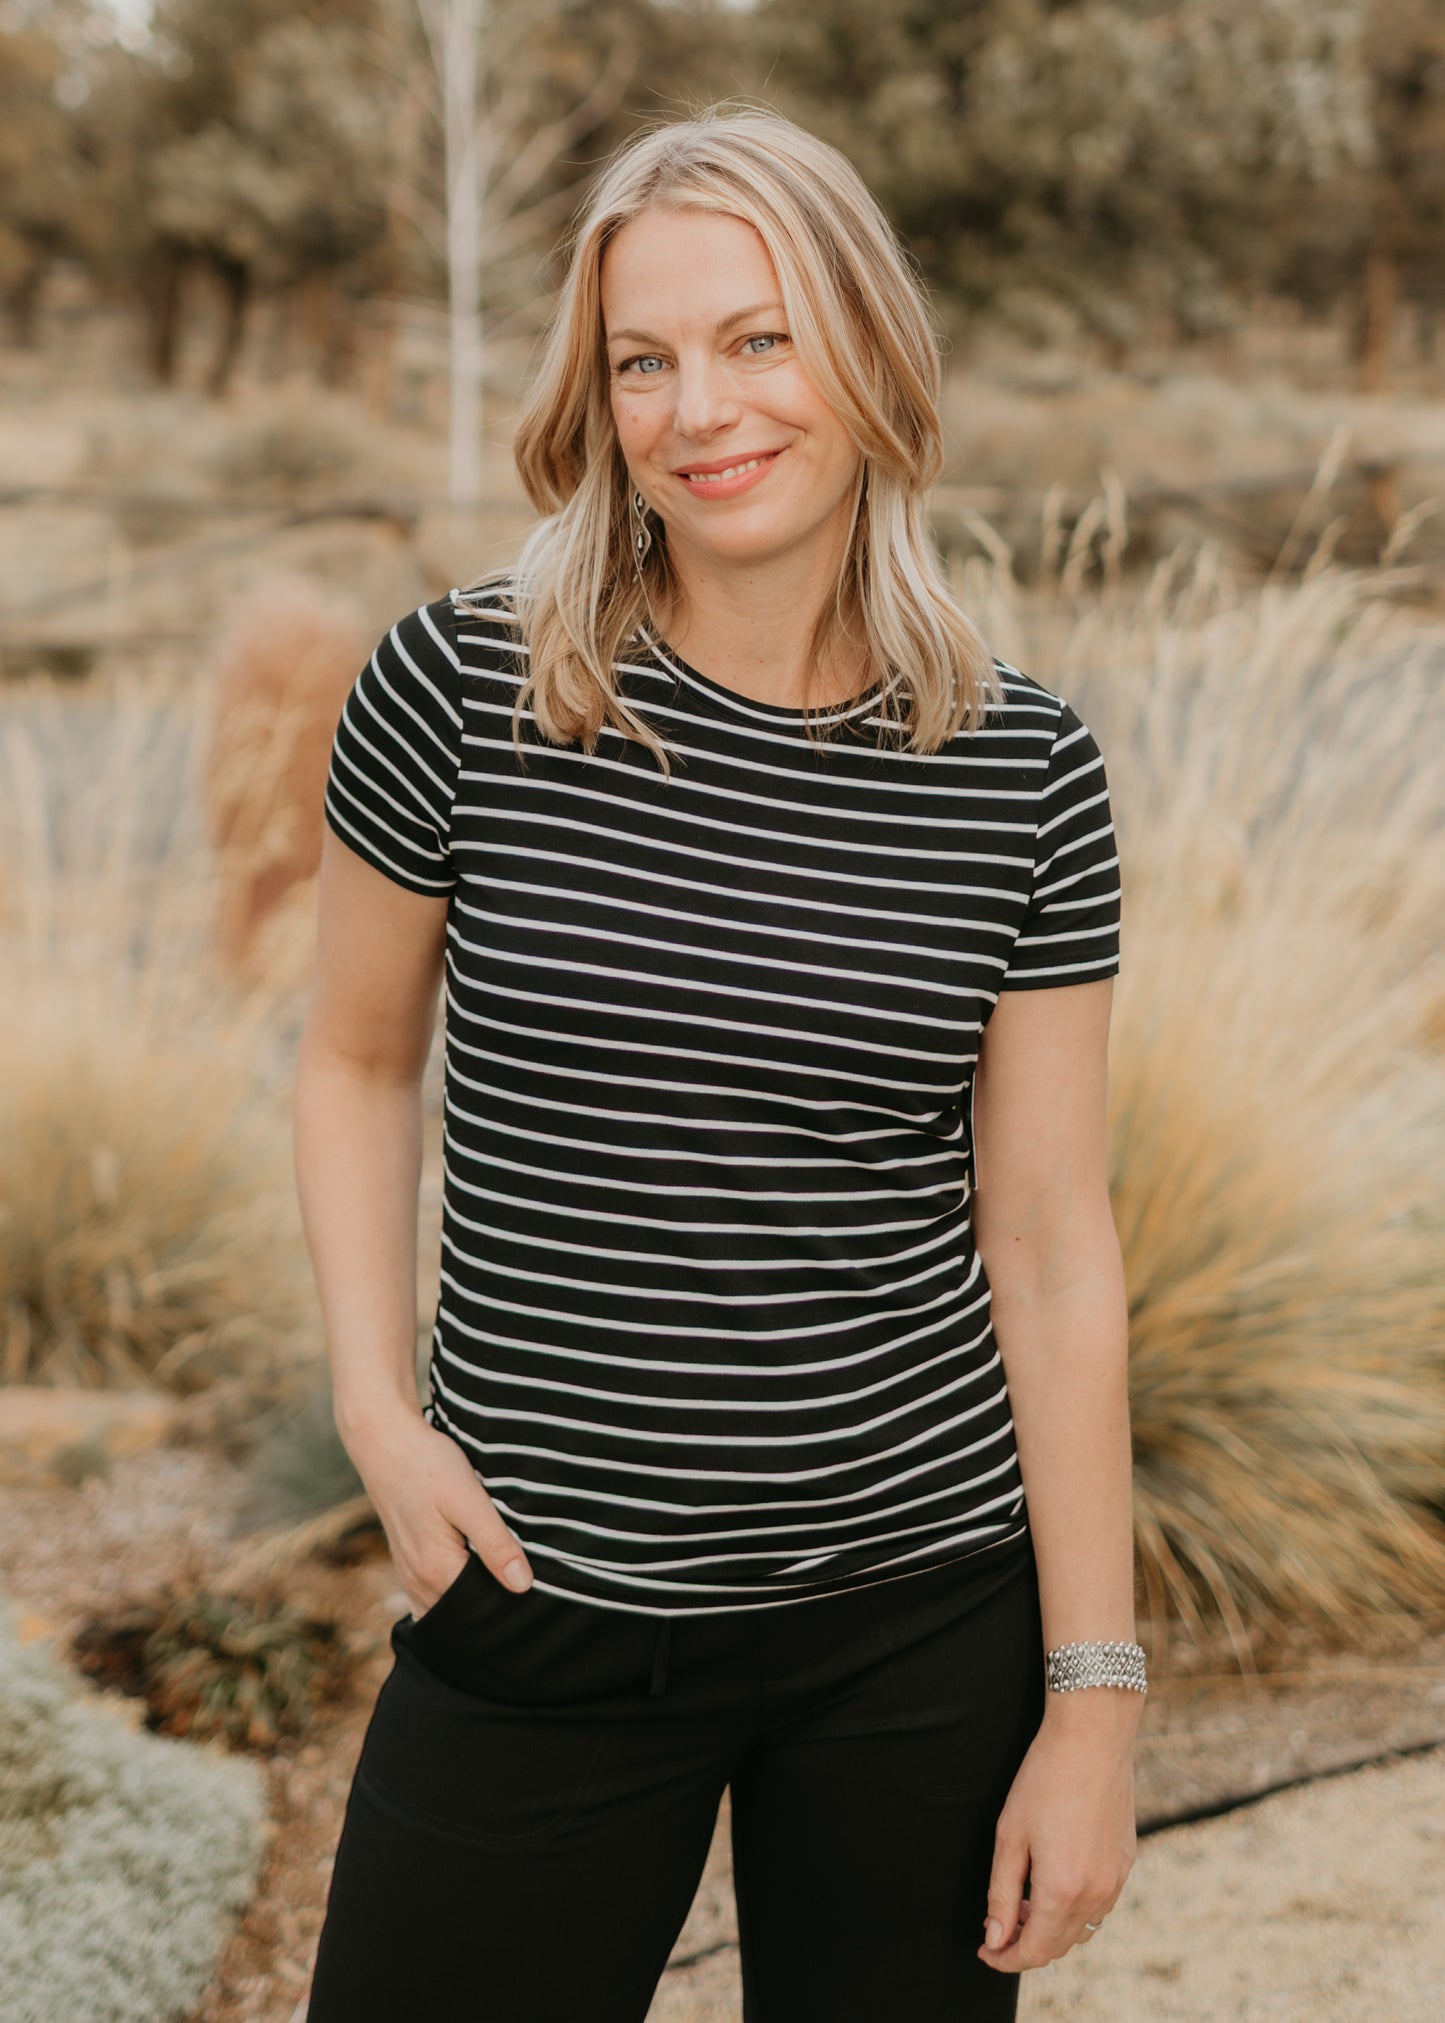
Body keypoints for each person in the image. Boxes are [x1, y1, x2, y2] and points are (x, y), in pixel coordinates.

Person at [296, 102, 1142, 2023]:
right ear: (596, 398)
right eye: (644, 358)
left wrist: (1090, 1698)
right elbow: (354, 1064)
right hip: (541, 1597)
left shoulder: (1021, 771)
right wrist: (372, 1404)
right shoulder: (462, 690)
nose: (702, 409)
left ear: (867, 347)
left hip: (918, 1627)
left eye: (760, 337)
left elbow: (1046, 1237)